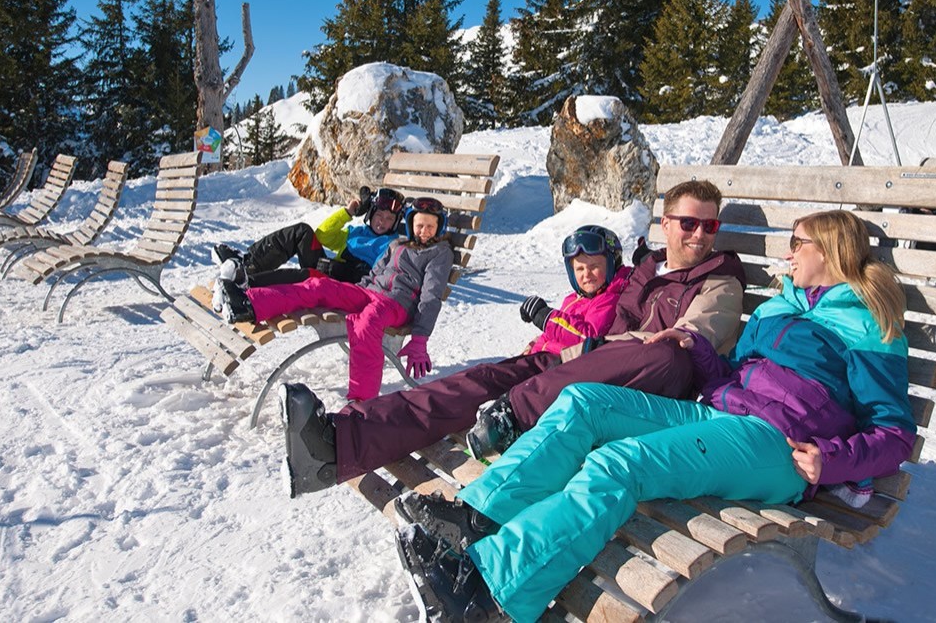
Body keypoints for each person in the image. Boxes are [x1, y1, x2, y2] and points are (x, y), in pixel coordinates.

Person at [394, 210, 916, 623]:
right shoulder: (779, 307)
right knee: (584, 403)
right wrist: (697, 348)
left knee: (621, 463)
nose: (789, 253)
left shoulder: (868, 323)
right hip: (720, 415)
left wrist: (833, 459)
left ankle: (489, 591)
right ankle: (476, 519)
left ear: (830, 249)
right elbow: (734, 376)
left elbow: (894, 432)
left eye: (798, 243)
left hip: (776, 446)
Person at [278, 179, 746, 498]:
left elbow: (693, 335)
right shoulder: (642, 273)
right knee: (473, 383)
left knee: (666, 353)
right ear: (666, 224)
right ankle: (337, 443)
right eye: (690, 223)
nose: (700, 235)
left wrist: (597, 343)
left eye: (710, 226)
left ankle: (513, 415)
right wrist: (556, 338)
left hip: (639, 391)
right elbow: (599, 309)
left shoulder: (720, 281)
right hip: (577, 363)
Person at [278, 225, 632, 497]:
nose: (586, 274)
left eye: (594, 266)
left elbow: (587, 338)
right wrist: (537, 341)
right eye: (579, 268)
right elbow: (564, 335)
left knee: (458, 394)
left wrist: (546, 317)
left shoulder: (611, 300)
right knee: (460, 387)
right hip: (539, 368)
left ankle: (341, 443)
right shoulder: (580, 298)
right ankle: (345, 434)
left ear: (612, 265)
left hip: (555, 378)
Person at [217, 197, 454, 402]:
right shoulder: (397, 244)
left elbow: (431, 295)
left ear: (439, 227)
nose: (424, 231)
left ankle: (362, 400)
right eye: (419, 225)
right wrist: (350, 293)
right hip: (370, 293)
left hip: (397, 305)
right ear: (411, 225)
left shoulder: (440, 252)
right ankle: (248, 304)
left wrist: (420, 338)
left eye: (430, 226)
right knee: (320, 286)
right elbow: (374, 274)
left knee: (367, 322)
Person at [211, 186, 405, 292]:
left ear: (396, 222)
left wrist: (344, 271)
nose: (382, 222)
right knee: (302, 231)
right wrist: (346, 213)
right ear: (370, 214)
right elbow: (323, 235)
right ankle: (248, 264)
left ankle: (247, 283)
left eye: (389, 218)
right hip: (329, 273)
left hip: (343, 287)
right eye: (379, 215)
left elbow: (378, 275)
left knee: (305, 275)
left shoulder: (392, 245)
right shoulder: (357, 232)